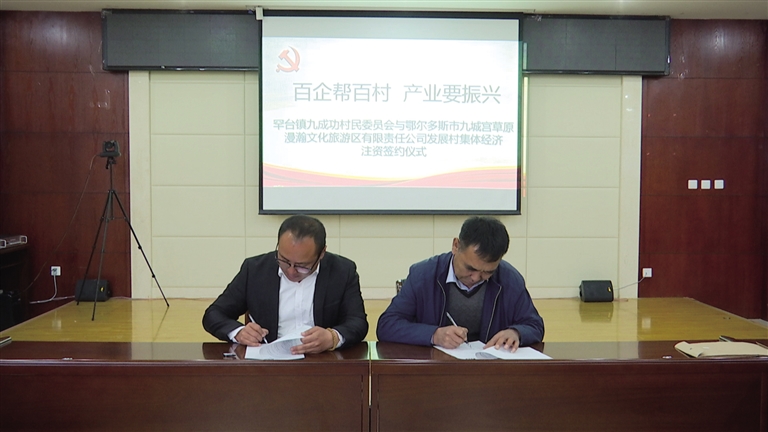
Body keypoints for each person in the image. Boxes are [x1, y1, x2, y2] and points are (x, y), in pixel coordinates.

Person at [203, 215, 368, 353]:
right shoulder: (254, 270)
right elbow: (214, 314)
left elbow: (357, 322)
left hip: (322, 361)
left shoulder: (342, 271)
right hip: (269, 362)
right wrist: (239, 332)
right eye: (284, 260)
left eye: (302, 266)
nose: (291, 271)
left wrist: (332, 338)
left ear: (322, 253)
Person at [377, 216, 544, 351]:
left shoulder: (509, 279)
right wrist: (434, 335)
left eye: (487, 272)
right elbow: (387, 325)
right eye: (470, 268)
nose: (475, 278)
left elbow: (534, 325)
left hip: (488, 370)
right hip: (434, 369)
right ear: (456, 246)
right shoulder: (423, 275)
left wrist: (516, 332)